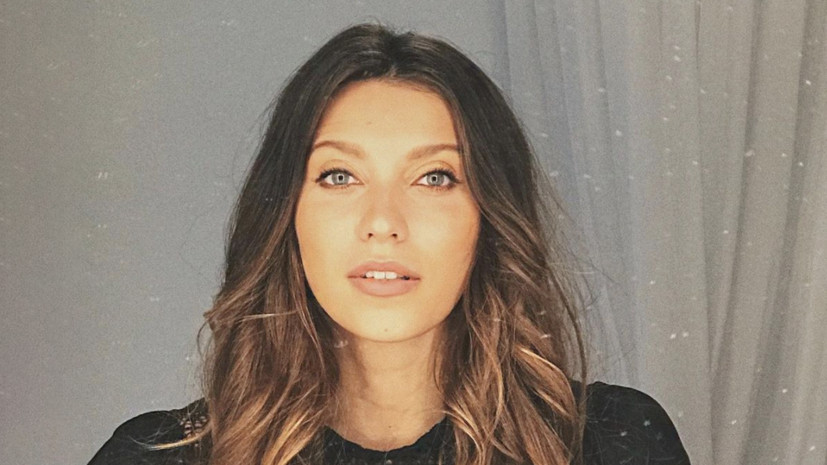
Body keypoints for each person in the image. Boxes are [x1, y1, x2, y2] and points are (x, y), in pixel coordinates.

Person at [88, 23, 690, 465]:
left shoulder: (614, 444)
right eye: (339, 176)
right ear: (285, 215)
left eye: (434, 178)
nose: (382, 221)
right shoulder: (154, 457)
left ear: (490, 218)